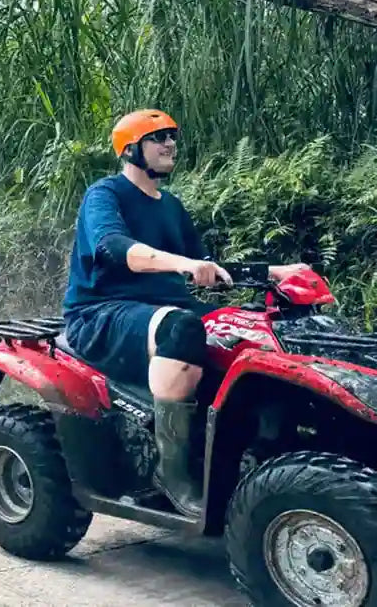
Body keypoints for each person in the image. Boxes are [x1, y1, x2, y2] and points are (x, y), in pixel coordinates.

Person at [62, 108, 310, 517]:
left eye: (172, 136)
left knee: (253, 334)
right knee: (181, 329)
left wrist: (278, 272)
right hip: (102, 311)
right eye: (157, 137)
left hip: (165, 306)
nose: (169, 144)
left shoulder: (171, 206)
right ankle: (172, 473)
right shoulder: (105, 195)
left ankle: (248, 454)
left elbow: (207, 264)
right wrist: (179, 264)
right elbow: (115, 248)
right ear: (130, 150)